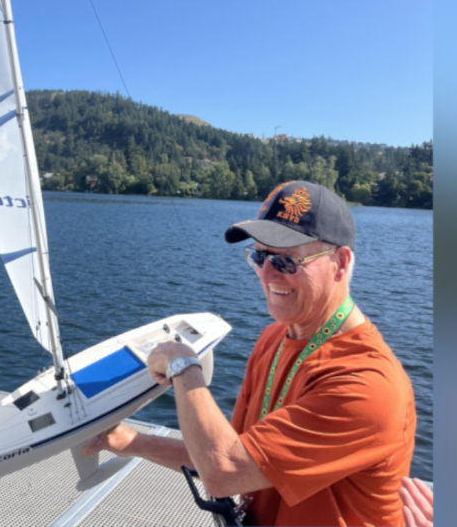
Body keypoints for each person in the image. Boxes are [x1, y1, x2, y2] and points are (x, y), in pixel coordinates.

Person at [83, 181, 417, 526]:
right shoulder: (274, 338)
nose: (266, 274)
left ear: (341, 263)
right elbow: (228, 452)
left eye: (286, 261)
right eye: (259, 256)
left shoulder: (369, 385)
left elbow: (224, 471)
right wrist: (128, 440)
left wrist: (183, 365)